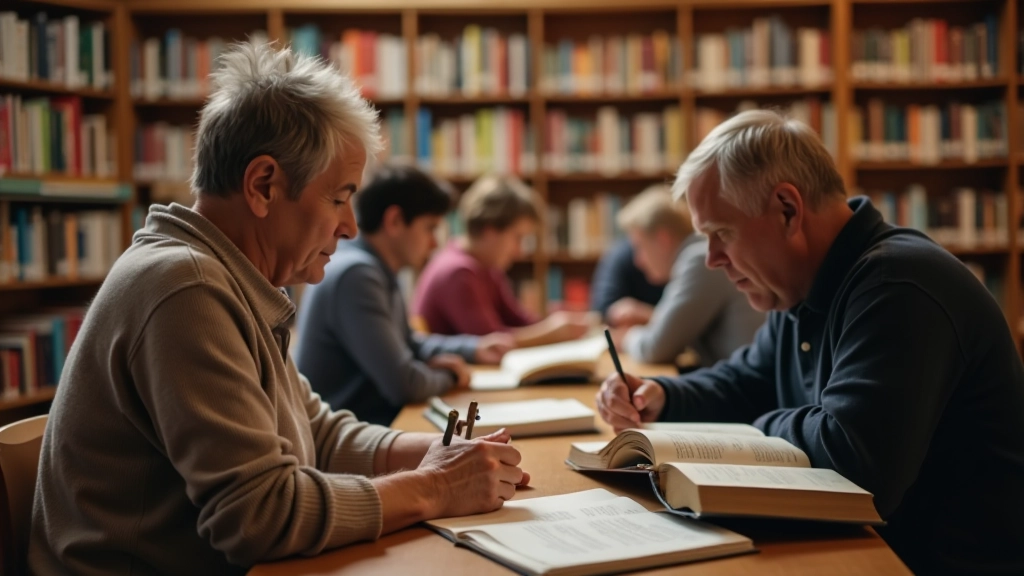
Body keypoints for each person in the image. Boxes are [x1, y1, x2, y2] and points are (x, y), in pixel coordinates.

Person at [30, 41, 529, 576]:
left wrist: (448, 451)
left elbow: (318, 434)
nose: (350, 227)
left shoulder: (232, 279)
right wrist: (435, 486)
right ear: (263, 185)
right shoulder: (186, 289)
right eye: (338, 198)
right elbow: (259, 517)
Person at [595, 109, 1024, 575]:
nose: (713, 259)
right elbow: (749, 380)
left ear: (788, 209)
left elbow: (852, 462)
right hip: (868, 549)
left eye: (722, 233)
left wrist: (753, 431)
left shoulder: (898, 286)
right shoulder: (801, 286)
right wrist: (663, 395)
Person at [295, 164, 514, 426]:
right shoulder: (357, 276)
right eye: (430, 228)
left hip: (371, 423)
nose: (435, 243)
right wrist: (451, 376)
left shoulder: (376, 268)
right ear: (395, 221)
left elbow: (410, 343)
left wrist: (474, 350)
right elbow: (405, 385)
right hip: (351, 433)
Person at [413, 174, 592, 347]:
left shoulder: (488, 267)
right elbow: (491, 344)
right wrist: (552, 332)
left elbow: (519, 321)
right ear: (490, 231)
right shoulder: (457, 272)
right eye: (518, 238)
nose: (520, 251)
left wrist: (557, 321)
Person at [609, 184, 763, 365]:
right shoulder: (698, 254)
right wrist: (650, 317)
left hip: (745, 380)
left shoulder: (699, 260)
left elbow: (655, 349)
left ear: (663, 239)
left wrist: (627, 336)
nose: (638, 261)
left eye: (639, 247)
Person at [590, 236, 666, 325]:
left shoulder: (678, 266)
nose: (638, 262)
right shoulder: (620, 255)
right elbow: (601, 310)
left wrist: (648, 315)